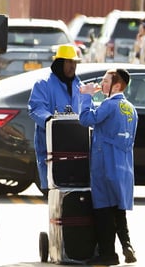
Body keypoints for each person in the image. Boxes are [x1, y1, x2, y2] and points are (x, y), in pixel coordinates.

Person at [78, 67, 138, 265]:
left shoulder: (109, 105)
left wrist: (86, 97)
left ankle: (108, 253)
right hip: (124, 166)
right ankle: (127, 244)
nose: (102, 84)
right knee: (118, 208)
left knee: (103, 209)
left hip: (105, 164)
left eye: (106, 81)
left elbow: (86, 118)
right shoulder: (130, 108)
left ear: (117, 85)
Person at [27, 44, 97, 192]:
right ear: (59, 63)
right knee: (54, 198)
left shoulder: (81, 87)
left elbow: (90, 112)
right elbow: (36, 108)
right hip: (52, 150)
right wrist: (51, 121)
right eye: (69, 62)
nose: (73, 66)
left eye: (75, 62)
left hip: (78, 153)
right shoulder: (43, 85)